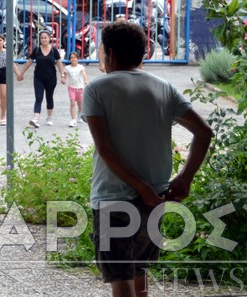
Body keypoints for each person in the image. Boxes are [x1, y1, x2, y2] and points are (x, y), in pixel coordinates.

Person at [82, 21, 212, 297]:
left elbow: (104, 147)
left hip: (113, 199)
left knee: (120, 278)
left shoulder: (97, 88)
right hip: (156, 197)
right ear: (143, 54)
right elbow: (204, 133)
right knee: (139, 274)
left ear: (111, 54)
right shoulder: (163, 87)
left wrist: (138, 186)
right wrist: (184, 178)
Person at [17, 30, 66, 128]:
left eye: (45, 38)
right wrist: (21, 74)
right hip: (38, 78)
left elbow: (59, 63)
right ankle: (35, 118)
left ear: (49, 38)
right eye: (42, 38)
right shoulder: (37, 50)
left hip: (51, 78)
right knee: (38, 98)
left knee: (49, 97)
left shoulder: (54, 50)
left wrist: (62, 75)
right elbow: (29, 62)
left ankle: (49, 117)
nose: (43, 40)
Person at [64, 51, 89, 127]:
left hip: (80, 88)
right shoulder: (67, 68)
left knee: (80, 103)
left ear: (77, 58)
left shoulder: (80, 67)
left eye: (75, 57)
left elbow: (84, 74)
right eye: (71, 58)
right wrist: (63, 79)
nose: (73, 59)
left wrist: (85, 80)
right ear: (69, 59)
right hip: (71, 88)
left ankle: (80, 113)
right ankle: (73, 119)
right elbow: (64, 75)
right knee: (72, 103)